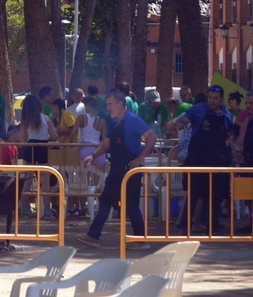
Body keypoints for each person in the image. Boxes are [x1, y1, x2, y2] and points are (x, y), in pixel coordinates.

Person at [75, 90, 157, 249]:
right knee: (107, 200)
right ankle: (95, 235)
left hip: (131, 169)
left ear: (120, 104)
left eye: (110, 104)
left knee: (130, 204)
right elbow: (106, 145)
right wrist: (92, 155)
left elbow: (152, 137)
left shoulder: (133, 120)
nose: (108, 108)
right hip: (116, 168)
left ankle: (138, 240)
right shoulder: (113, 123)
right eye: (107, 105)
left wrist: (140, 158)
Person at [170, 84, 234, 234]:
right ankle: (185, 226)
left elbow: (229, 133)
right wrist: (180, 123)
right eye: (210, 98)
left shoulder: (227, 115)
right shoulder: (199, 109)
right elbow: (185, 118)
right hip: (197, 160)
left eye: (215, 98)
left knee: (216, 196)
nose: (212, 101)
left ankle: (213, 227)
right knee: (193, 194)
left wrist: (230, 140)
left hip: (218, 162)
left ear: (221, 99)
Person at [18, 94, 58, 218]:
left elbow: (22, 138)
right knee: (44, 182)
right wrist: (45, 137)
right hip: (43, 148)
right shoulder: (46, 119)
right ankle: (46, 211)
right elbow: (54, 136)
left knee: (27, 180)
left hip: (30, 148)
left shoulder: (25, 121)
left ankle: (24, 209)